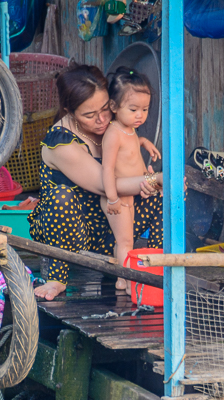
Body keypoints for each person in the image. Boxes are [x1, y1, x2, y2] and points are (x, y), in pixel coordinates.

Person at [30, 64, 164, 300]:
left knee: (168, 195)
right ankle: (56, 278)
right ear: (69, 111)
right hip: (73, 232)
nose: (101, 120)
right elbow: (106, 184)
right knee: (62, 197)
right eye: (89, 115)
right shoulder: (61, 143)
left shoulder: (117, 128)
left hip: (111, 225)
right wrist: (153, 180)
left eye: (105, 109)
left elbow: (129, 164)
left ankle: (153, 265)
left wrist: (150, 180)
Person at [102, 67, 161, 292]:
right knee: (125, 241)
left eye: (144, 109)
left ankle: (125, 276)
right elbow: (107, 168)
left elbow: (131, 148)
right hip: (118, 196)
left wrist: (144, 141)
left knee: (128, 240)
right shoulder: (113, 133)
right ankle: (123, 279)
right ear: (114, 107)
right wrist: (112, 198)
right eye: (133, 109)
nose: (140, 115)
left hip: (130, 194)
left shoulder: (129, 130)